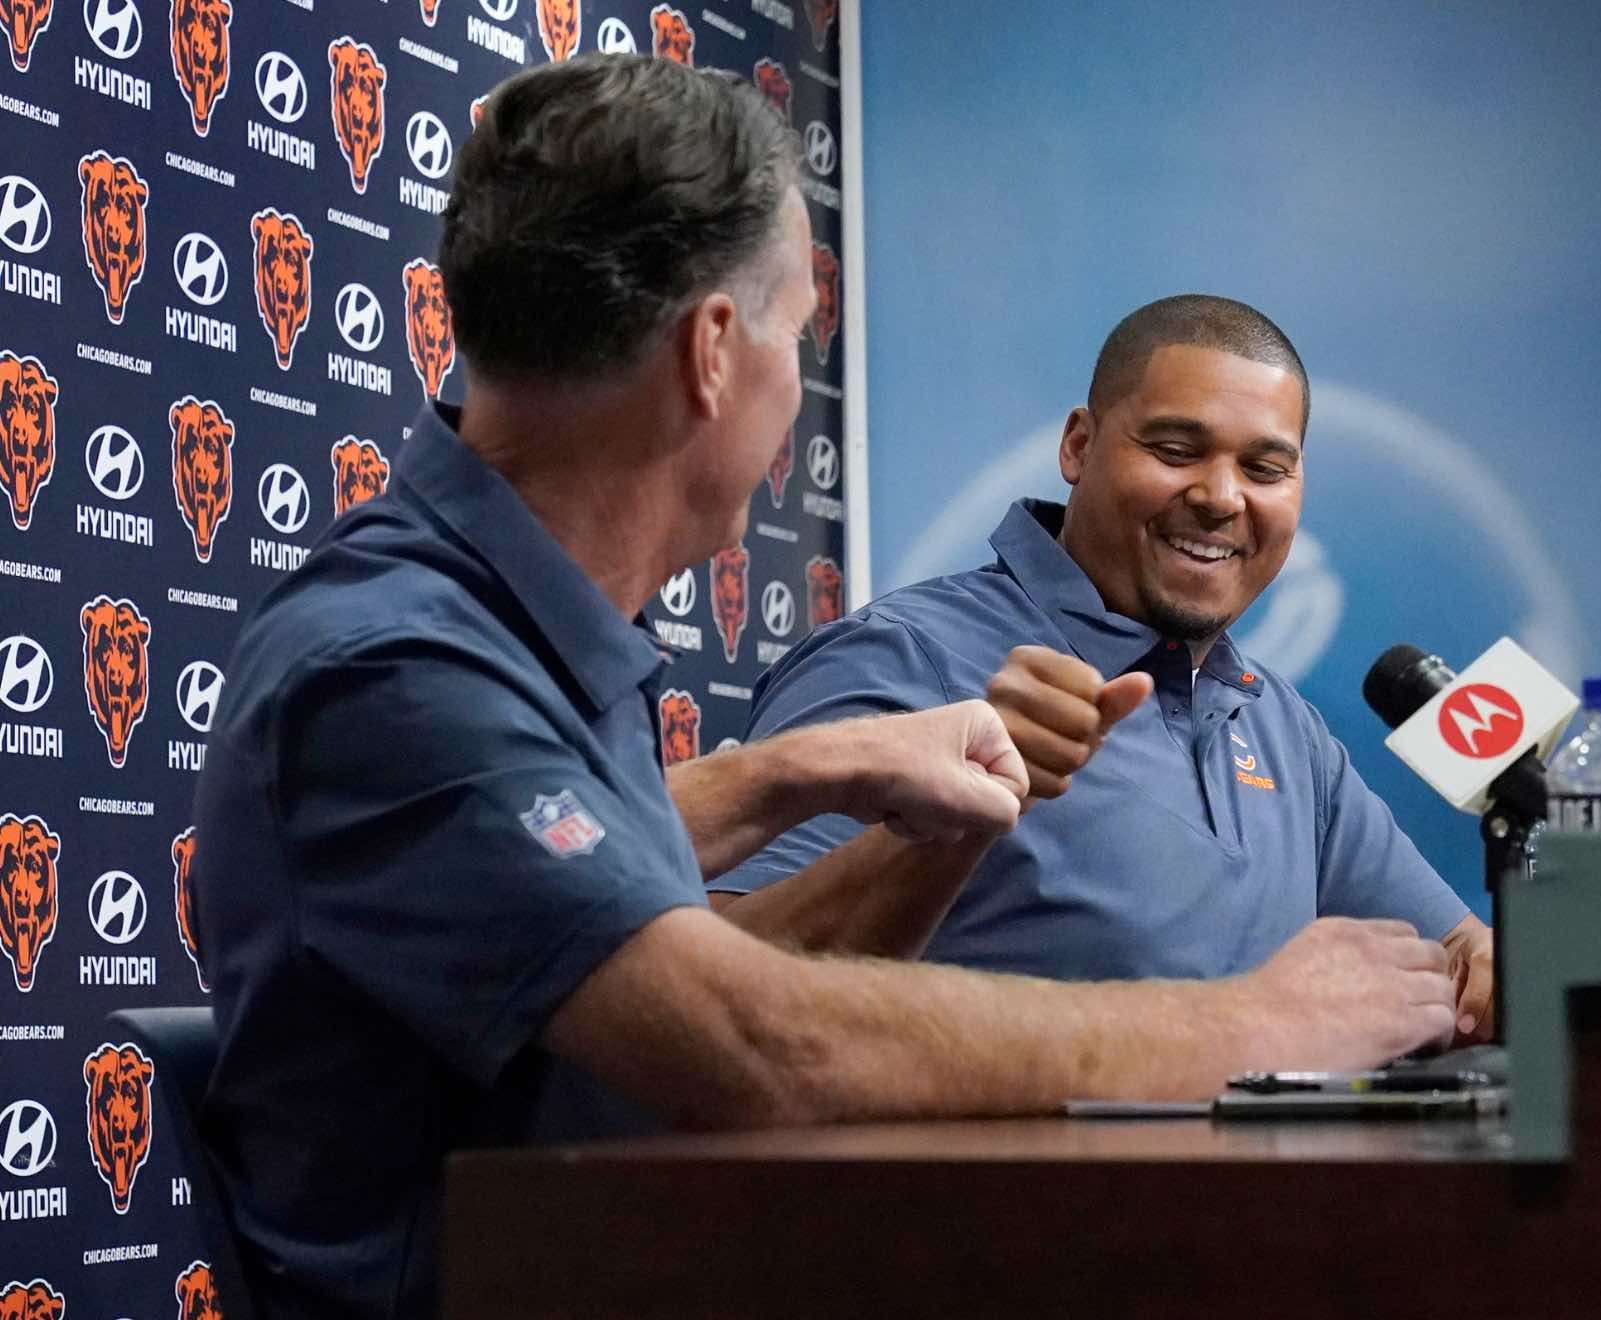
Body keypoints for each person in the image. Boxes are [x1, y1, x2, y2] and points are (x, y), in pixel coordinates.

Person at [191, 56, 1457, 1320]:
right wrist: (1256, 1033)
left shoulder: (517, 639)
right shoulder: (407, 664)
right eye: (799, 337)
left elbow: (637, 944)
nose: (800, 395)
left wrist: (809, 775)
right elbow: (757, 1041)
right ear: (712, 354)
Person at [718, 295, 1495, 1040]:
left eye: (1265, 469)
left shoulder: (1283, 725)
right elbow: (718, 997)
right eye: (1176, 450)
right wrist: (957, 816)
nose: (1222, 496)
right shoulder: (905, 657)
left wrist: (1500, 973)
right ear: (1079, 447)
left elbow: (1463, 960)